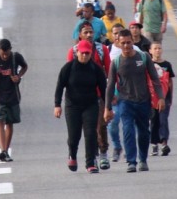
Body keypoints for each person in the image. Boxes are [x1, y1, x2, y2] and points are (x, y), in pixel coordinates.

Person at [105, 29, 164, 173]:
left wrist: (160, 97)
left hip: (143, 101)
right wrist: (107, 108)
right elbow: (110, 85)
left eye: (129, 42)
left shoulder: (143, 57)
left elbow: (155, 79)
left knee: (144, 132)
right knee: (128, 131)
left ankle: (143, 159)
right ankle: (131, 161)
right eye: (123, 43)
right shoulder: (116, 62)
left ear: (133, 41)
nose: (126, 46)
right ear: (118, 43)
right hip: (125, 102)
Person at [54, 39, 108, 174]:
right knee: (74, 135)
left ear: (91, 54)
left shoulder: (96, 69)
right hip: (73, 106)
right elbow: (60, 86)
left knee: (90, 133)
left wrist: (108, 108)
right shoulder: (68, 68)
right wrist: (57, 105)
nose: (84, 56)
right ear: (77, 52)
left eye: (87, 53)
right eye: (82, 53)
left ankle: (90, 163)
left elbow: (103, 89)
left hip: (90, 105)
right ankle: (72, 154)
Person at [0, 39, 28, 162]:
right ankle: (3, 149)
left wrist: (18, 76)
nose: (4, 55)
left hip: (13, 94)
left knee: (9, 122)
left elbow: (25, 66)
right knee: (0, 120)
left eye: (6, 53)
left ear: (10, 49)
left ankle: (6, 150)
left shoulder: (16, 57)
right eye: (2, 53)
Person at [149, 42, 174, 157]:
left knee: (163, 119)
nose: (157, 51)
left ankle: (164, 143)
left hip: (164, 97)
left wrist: (170, 97)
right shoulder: (149, 64)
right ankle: (154, 143)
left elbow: (170, 81)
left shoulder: (167, 64)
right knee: (154, 120)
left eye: (159, 48)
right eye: (155, 49)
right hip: (153, 98)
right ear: (150, 51)